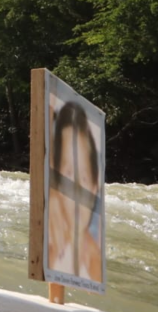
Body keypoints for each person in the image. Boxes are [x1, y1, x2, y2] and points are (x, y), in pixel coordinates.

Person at [47, 101, 104, 282]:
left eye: (85, 178)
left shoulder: (97, 265)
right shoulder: (48, 256)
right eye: (69, 174)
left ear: (95, 188)